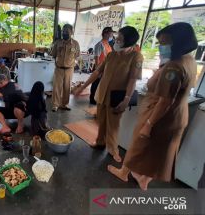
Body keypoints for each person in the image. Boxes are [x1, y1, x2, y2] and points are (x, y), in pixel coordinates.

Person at [107, 22, 198, 190]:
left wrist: (148, 125)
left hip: (159, 115)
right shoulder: (189, 60)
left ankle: (123, 173)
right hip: (178, 115)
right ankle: (144, 179)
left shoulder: (173, 67)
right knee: (159, 152)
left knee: (138, 145)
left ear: (176, 42)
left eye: (164, 43)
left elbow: (165, 100)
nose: (161, 47)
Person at [74, 26, 143, 162]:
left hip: (117, 97)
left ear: (128, 41)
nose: (116, 40)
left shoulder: (136, 57)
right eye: (116, 38)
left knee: (113, 125)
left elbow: (132, 79)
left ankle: (113, 150)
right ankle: (100, 143)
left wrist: (126, 99)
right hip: (103, 94)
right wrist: (83, 87)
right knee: (101, 121)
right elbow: (97, 72)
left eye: (120, 39)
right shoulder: (111, 55)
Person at [51, 24, 80, 112]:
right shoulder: (58, 42)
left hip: (69, 69)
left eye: (67, 32)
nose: (64, 33)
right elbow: (53, 54)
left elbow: (77, 55)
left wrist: (73, 63)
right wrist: (58, 50)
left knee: (67, 88)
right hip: (59, 68)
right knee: (57, 88)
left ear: (71, 32)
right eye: (63, 31)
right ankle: (55, 105)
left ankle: (64, 104)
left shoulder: (75, 44)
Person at [90, 27, 115, 105]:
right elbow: (96, 57)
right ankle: (92, 99)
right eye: (111, 33)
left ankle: (97, 98)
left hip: (105, 68)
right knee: (95, 84)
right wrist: (97, 70)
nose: (112, 35)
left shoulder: (107, 44)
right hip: (99, 67)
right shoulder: (100, 44)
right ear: (105, 34)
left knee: (100, 84)